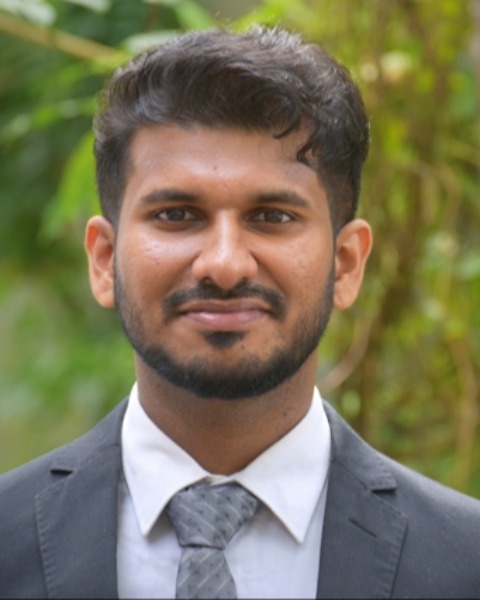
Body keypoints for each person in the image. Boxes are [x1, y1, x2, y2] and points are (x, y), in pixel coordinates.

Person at [0, 26, 479, 600]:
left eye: (272, 217)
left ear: (346, 264)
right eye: (177, 215)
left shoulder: (465, 561)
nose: (224, 265)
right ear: (104, 260)